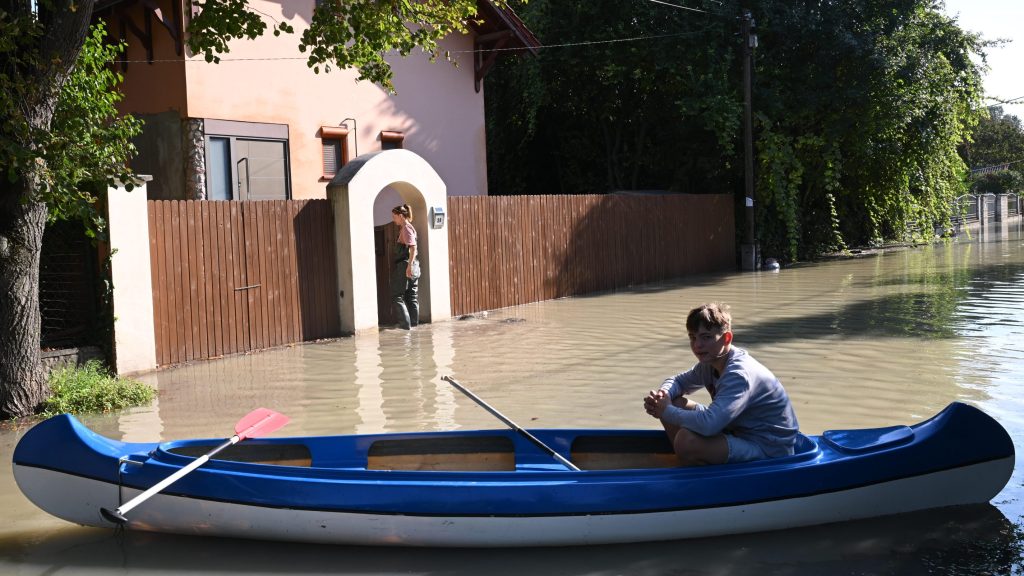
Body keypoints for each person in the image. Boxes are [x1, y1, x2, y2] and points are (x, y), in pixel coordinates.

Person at [644, 303, 798, 465]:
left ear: (726, 338)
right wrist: (663, 395)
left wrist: (666, 411)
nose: (697, 345)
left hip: (769, 449)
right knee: (675, 401)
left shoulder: (739, 374)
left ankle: (694, 467)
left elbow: (710, 425)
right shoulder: (709, 363)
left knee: (685, 440)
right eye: (693, 337)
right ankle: (691, 462)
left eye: (706, 337)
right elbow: (678, 381)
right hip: (737, 430)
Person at [390, 204, 420, 329]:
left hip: (405, 265)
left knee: (397, 296)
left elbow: (413, 247)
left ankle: (405, 328)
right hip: (414, 265)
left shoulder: (406, 229)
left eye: (394, 216)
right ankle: (413, 327)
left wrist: (409, 266)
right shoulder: (410, 228)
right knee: (411, 296)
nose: (393, 219)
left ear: (401, 216)